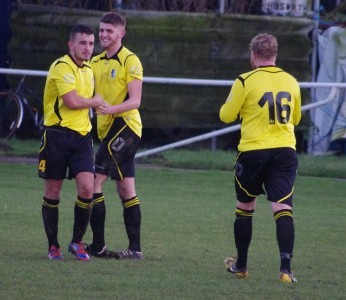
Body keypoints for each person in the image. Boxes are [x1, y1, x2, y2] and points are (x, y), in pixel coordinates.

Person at [219, 33, 301, 283]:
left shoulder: (245, 80)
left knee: (245, 207)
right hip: (285, 151)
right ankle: (286, 270)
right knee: (283, 207)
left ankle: (242, 266)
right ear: (275, 55)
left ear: (253, 56)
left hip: (253, 152)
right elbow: (295, 119)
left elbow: (225, 115)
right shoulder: (291, 81)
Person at [38, 24, 105, 261]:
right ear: (71, 45)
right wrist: (96, 101)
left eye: (90, 43)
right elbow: (72, 101)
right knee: (53, 191)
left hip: (82, 139)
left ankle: (77, 243)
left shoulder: (89, 69)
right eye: (82, 43)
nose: (88, 48)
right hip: (56, 135)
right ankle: (53, 245)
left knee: (87, 188)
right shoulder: (61, 66)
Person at [86, 11, 144, 259]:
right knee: (125, 188)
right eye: (101, 30)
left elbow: (136, 101)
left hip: (127, 127)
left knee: (93, 183)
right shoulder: (95, 62)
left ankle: (97, 246)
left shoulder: (130, 60)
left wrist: (110, 109)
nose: (104, 35)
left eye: (109, 31)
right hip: (108, 130)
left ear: (122, 33)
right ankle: (135, 250)